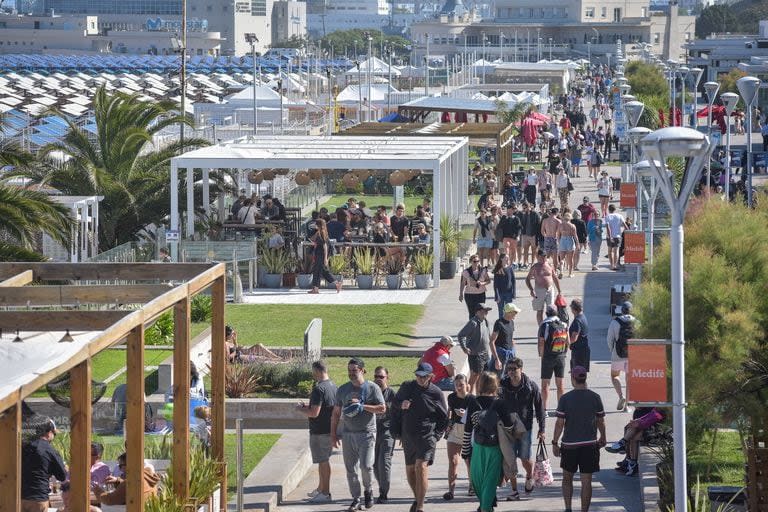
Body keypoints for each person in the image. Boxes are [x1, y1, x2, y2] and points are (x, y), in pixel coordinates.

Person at [330, 358, 386, 512]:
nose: (351, 373)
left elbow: (382, 409)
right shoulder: (343, 389)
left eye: (354, 370)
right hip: (348, 434)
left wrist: (362, 406)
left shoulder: (372, 388)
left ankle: (368, 490)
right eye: (349, 370)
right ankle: (356, 498)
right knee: (351, 469)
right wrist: (333, 434)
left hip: (367, 433)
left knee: (366, 466)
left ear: (362, 370)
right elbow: (335, 413)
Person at [392, 362, 449, 512]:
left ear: (431, 376)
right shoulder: (407, 387)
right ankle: (417, 499)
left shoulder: (436, 393)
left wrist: (436, 435)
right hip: (408, 435)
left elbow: (444, 417)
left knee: (421, 467)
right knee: (410, 469)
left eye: (424, 376)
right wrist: (401, 404)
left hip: (427, 436)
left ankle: (420, 507)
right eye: (418, 375)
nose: (420, 378)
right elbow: (395, 402)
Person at [460, 372, 520, 512]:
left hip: (478, 447)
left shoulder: (473, 402)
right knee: (490, 481)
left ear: (480, 384)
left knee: (478, 481)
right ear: (495, 385)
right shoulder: (500, 403)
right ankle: (486, 507)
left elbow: (467, 429)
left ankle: (485, 507)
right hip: (495, 448)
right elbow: (510, 426)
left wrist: (465, 451)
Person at [551, 366, 607, 512]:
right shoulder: (595, 397)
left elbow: (559, 423)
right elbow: (600, 421)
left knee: (567, 479)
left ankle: (568, 508)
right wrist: (603, 437)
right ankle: (584, 510)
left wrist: (555, 442)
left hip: (569, 445)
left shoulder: (565, 399)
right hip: (589, 445)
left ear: (573, 379)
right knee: (586, 481)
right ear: (585, 378)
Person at [498, 358, 546, 499]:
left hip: (525, 428)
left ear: (521, 369)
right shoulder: (502, 385)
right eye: (509, 369)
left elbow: (540, 408)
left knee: (525, 458)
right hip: (508, 428)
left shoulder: (530, 386)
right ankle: (514, 491)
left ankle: (529, 476)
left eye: (514, 369)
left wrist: (542, 429)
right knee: (509, 459)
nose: (511, 372)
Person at [296, 360, 337, 503]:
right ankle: (320, 489)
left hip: (320, 431)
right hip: (328, 429)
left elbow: (314, 413)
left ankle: (326, 493)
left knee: (324, 461)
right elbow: (325, 407)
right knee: (322, 461)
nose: (313, 376)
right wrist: (309, 405)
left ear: (318, 372)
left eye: (314, 373)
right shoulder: (332, 386)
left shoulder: (319, 389)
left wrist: (300, 409)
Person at [21, 418, 67, 512]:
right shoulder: (50, 450)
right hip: (38, 497)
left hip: (19, 496)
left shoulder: (23, 446)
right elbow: (62, 476)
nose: (54, 436)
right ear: (49, 432)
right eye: (54, 434)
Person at [607, 407, 665, 476]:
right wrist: (638, 421)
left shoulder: (661, 408)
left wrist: (638, 422)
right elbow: (647, 417)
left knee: (633, 434)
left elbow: (654, 418)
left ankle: (623, 447)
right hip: (647, 427)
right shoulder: (650, 408)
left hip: (655, 431)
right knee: (631, 431)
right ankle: (630, 461)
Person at [92, 452, 161, 506]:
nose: (119, 469)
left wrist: (95, 488)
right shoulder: (147, 476)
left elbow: (109, 500)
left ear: (129, 465)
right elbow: (133, 486)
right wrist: (117, 480)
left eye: (120, 466)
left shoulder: (129, 483)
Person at [442, 374, 471, 501]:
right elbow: (450, 412)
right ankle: (451, 491)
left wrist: (466, 414)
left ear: (467, 386)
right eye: (456, 385)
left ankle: (472, 486)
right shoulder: (451, 397)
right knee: (453, 462)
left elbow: (476, 417)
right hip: (454, 431)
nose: (459, 388)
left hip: (468, 432)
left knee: (469, 462)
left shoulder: (472, 399)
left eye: (461, 385)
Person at [538, 305, 569, 413]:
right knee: (560, 384)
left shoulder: (545, 325)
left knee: (545, 385)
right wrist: (564, 353)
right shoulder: (564, 324)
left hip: (548, 357)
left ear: (546, 313)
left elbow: (541, 342)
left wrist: (542, 356)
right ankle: (561, 409)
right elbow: (568, 342)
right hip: (560, 357)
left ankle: (544, 409)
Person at [457, 303, 493, 394]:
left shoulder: (486, 321)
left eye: (486, 311)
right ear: (477, 312)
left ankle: (479, 396)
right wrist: (464, 348)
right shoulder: (473, 322)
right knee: (474, 377)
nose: (486, 313)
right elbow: (461, 335)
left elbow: (489, 336)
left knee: (482, 377)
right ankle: (469, 397)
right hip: (475, 355)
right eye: (484, 311)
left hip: (485, 354)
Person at [372, 367, 396, 504]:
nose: (378, 379)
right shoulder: (371, 392)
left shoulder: (392, 394)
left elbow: (399, 415)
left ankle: (384, 493)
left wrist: (401, 435)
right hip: (373, 432)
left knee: (384, 462)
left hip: (388, 432)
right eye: (376, 376)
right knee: (374, 464)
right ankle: (382, 486)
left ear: (387, 377)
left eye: (381, 377)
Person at [607, 301, 635, 411]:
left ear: (622, 310)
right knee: (629, 379)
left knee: (614, 376)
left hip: (618, 353)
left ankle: (621, 396)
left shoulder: (615, 322)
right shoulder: (637, 322)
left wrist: (612, 350)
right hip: (632, 354)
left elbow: (610, 339)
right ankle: (627, 405)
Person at [525, 249, 562, 325]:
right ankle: (541, 328)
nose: (543, 258)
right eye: (542, 256)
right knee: (540, 311)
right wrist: (531, 290)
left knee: (551, 310)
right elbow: (527, 279)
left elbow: (555, 278)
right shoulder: (535, 267)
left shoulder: (549, 265)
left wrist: (559, 291)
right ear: (538, 257)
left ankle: (551, 328)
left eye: (545, 256)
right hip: (539, 290)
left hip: (550, 289)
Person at [308, 218, 342, 294]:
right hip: (319, 254)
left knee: (317, 271)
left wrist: (325, 258)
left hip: (321, 255)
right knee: (324, 272)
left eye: (316, 224)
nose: (315, 226)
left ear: (318, 225)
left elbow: (325, 246)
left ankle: (315, 289)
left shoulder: (322, 233)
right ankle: (337, 283)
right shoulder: (320, 232)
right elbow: (313, 239)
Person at [489, 303, 521, 376]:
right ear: (509, 313)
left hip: (510, 355)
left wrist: (514, 354)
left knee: (509, 378)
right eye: (515, 312)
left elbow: (511, 338)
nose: (516, 314)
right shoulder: (499, 323)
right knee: (497, 379)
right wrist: (497, 360)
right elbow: (491, 342)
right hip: (501, 355)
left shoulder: (512, 322)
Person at [459, 254, 490, 320]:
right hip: (470, 295)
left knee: (481, 312)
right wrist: (461, 294)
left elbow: (488, 280)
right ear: (471, 262)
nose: (476, 263)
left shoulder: (483, 270)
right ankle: (472, 328)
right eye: (474, 261)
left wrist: (482, 283)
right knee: (472, 313)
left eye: (478, 261)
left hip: (481, 294)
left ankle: (480, 328)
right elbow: (462, 283)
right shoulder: (466, 272)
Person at [492, 253, 516, 320]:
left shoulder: (510, 268)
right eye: (506, 258)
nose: (507, 259)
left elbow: (513, 281)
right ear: (501, 259)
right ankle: (501, 326)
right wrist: (497, 295)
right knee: (501, 312)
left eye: (508, 258)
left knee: (509, 311)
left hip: (509, 293)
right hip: (500, 294)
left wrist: (514, 293)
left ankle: (509, 325)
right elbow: (495, 284)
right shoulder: (498, 269)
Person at [569, 299, 591, 371]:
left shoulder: (577, 321)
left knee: (577, 378)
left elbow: (574, 338)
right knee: (581, 378)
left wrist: (565, 343)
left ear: (573, 309)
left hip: (579, 353)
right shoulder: (583, 317)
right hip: (584, 351)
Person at [605, 204, 627, 271]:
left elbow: (608, 227)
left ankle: (611, 265)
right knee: (616, 251)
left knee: (610, 251)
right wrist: (626, 231)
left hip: (610, 236)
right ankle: (615, 265)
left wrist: (610, 236)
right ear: (615, 209)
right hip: (618, 236)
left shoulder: (607, 216)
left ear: (608, 209)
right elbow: (625, 225)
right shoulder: (619, 216)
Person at [556, 212, 578, 278]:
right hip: (569, 240)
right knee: (570, 259)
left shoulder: (560, 225)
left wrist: (559, 242)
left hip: (562, 240)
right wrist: (577, 243)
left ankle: (561, 272)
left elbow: (558, 235)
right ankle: (570, 273)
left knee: (562, 258)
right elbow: (575, 236)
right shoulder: (572, 225)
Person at [519, 202, 540, 268]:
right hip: (525, 234)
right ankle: (526, 263)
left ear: (530, 207)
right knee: (525, 250)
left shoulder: (535, 214)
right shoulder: (523, 214)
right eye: (524, 208)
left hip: (533, 234)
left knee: (534, 250)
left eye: (526, 207)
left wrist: (537, 235)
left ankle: (532, 263)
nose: (525, 209)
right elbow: (522, 224)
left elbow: (538, 224)